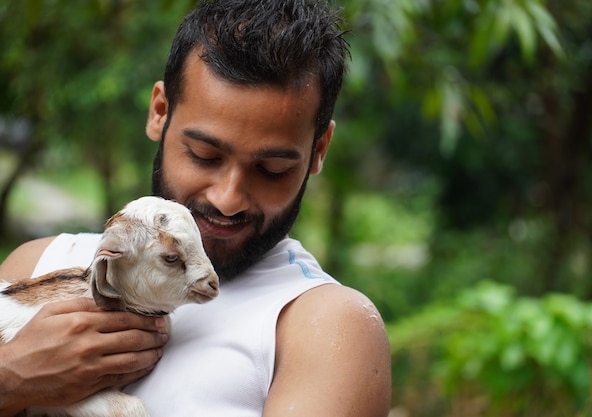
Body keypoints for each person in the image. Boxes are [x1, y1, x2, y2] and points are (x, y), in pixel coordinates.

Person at [0, 0, 392, 416]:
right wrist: (10, 380)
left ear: (318, 151)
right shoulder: (39, 263)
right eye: (205, 155)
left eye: (271, 169)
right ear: (159, 112)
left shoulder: (325, 326)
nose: (228, 198)